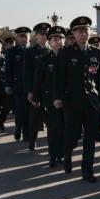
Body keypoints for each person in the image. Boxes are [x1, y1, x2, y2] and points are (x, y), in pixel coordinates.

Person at [54, 16, 100, 182]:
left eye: (86, 31)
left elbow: (99, 80)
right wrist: (59, 97)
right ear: (74, 34)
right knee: (72, 135)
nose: (84, 34)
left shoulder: (96, 52)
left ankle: (87, 170)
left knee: (90, 139)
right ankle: (67, 156)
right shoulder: (66, 53)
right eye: (80, 31)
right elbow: (60, 78)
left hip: (91, 102)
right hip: (72, 102)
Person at [33, 26, 66, 167]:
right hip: (50, 99)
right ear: (50, 41)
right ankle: (53, 156)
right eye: (54, 39)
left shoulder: (69, 57)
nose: (57, 42)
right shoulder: (44, 59)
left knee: (65, 129)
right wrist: (35, 97)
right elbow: (37, 79)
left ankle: (62, 154)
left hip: (67, 98)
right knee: (53, 129)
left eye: (60, 39)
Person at [25, 22, 50, 151]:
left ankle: (52, 143)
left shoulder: (53, 50)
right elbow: (27, 74)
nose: (44, 37)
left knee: (51, 119)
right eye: (41, 34)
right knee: (34, 118)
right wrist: (29, 91)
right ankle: (32, 141)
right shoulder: (30, 53)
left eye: (46, 34)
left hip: (50, 91)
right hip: (37, 90)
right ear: (36, 36)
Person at [5, 27, 31, 141]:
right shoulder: (11, 52)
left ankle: (27, 134)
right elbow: (8, 70)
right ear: (17, 38)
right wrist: (8, 85)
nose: (24, 38)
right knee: (20, 110)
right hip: (18, 86)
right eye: (21, 36)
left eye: (25, 36)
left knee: (29, 111)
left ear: (29, 37)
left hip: (31, 86)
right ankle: (18, 128)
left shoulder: (33, 50)